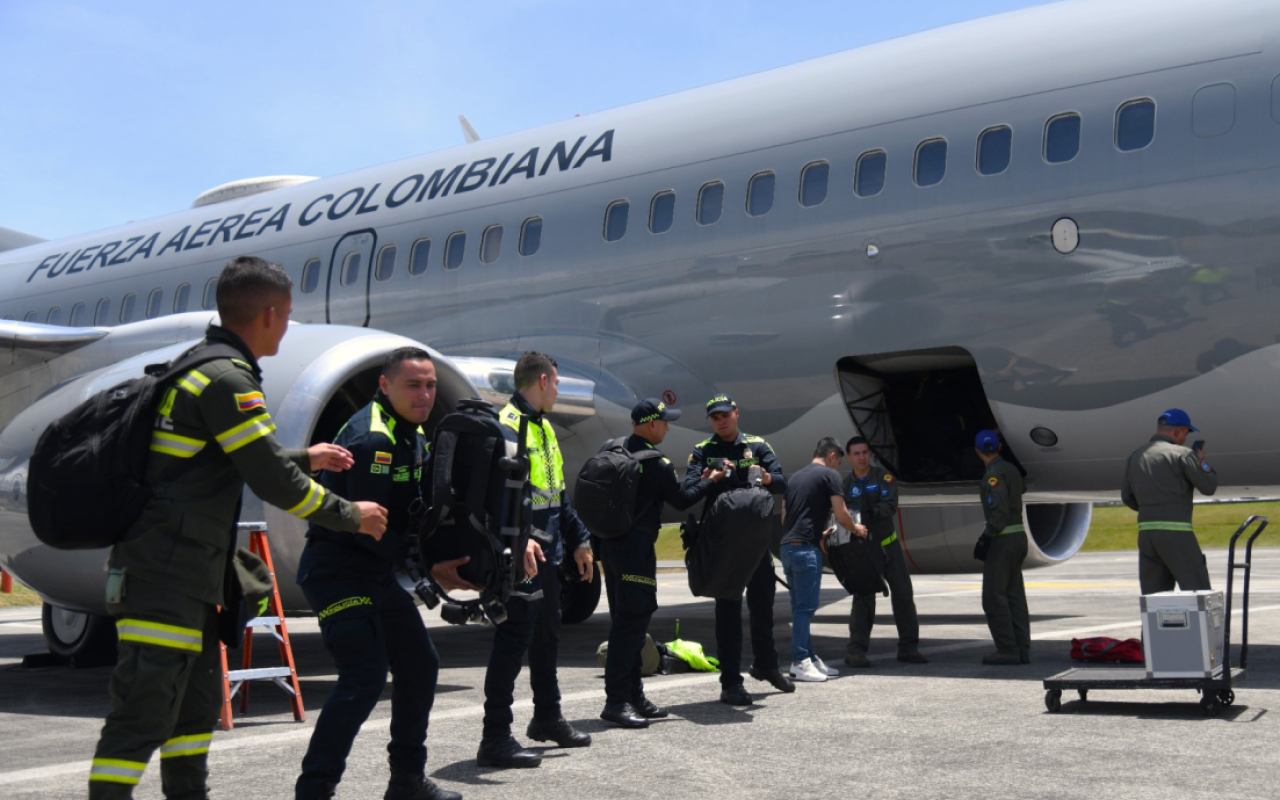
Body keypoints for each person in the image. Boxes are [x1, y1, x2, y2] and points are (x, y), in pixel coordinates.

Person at [88, 257, 389, 800]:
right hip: (165, 579)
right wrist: (352, 515)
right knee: (141, 718)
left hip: (193, 577)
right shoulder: (228, 379)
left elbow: (225, 458)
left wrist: (306, 455)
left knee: (193, 716)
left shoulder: (203, 366)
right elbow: (274, 481)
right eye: (289, 315)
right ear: (271, 315)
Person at [295, 348, 474, 800]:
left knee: (419, 664)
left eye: (430, 385)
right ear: (385, 385)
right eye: (413, 385)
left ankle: (407, 781)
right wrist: (429, 569)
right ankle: (314, 790)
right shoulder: (372, 439)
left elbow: (413, 517)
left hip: (373, 571)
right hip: (337, 570)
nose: (425, 394)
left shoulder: (412, 434)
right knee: (365, 676)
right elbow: (369, 530)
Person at [478, 351, 595, 768]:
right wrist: (522, 538)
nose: (559, 390)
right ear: (543, 381)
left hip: (547, 554)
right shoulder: (506, 427)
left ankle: (547, 716)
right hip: (518, 556)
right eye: (558, 383)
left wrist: (579, 539)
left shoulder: (543, 428)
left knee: (547, 637)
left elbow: (555, 495)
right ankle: (494, 738)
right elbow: (497, 499)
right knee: (513, 641)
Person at [598, 399, 727, 727]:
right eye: (665, 422)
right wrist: (711, 480)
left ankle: (634, 696)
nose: (668, 427)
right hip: (637, 550)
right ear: (651, 424)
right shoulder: (656, 463)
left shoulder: (612, 449)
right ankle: (616, 703)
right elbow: (682, 499)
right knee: (632, 624)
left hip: (610, 547)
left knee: (625, 622)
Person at [682, 394, 794, 706]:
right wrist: (706, 479)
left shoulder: (758, 446)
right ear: (710, 421)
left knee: (763, 604)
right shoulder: (703, 451)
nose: (721, 420)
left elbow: (783, 482)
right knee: (728, 611)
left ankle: (767, 665)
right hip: (722, 542)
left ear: (736, 414)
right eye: (715, 417)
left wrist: (768, 477)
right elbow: (688, 491)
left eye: (725, 415)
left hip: (756, 541)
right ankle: (731, 682)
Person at [779, 438, 863, 682]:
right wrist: (856, 529)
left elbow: (786, 518)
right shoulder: (830, 475)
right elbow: (841, 514)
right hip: (806, 551)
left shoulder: (794, 478)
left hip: (787, 548)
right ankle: (799, 661)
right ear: (833, 456)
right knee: (805, 609)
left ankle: (810, 657)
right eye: (838, 461)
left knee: (799, 608)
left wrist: (817, 533)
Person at [841, 437, 926, 667]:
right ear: (848, 457)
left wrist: (866, 511)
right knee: (863, 599)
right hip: (864, 551)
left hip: (888, 546)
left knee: (903, 595)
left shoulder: (884, 478)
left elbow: (889, 506)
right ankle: (856, 650)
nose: (862, 457)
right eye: (856, 453)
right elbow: (840, 514)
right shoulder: (845, 485)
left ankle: (908, 648)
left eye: (865, 452)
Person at [1120, 408, 1218, 594]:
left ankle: (1151, 625)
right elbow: (1208, 486)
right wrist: (1202, 462)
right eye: (1186, 434)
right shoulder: (1182, 454)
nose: (1185, 439)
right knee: (1197, 592)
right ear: (1178, 431)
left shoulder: (1135, 456)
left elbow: (1127, 497)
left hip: (1147, 534)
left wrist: (1152, 509)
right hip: (1176, 532)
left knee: (1155, 597)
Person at [973, 429, 1029, 666]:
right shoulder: (1011, 469)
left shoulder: (993, 475)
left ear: (977, 451)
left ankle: (1007, 648)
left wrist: (987, 536)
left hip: (1003, 539)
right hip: (1019, 537)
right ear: (1000, 447)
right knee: (1014, 595)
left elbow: (999, 513)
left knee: (994, 597)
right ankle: (1022, 648)